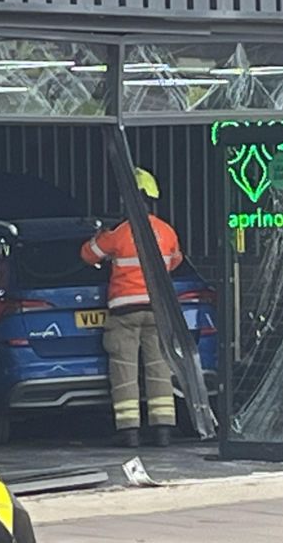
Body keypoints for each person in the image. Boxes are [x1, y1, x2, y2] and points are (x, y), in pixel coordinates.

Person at [80, 168, 184, 448]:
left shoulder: (120, 234)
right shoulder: (167, 231)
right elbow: (175, 261)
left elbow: (89, 255)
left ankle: (130, 433)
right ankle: (163, 430)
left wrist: (100, 234)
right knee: (159, 367)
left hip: (124, 312)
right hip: (157, 311)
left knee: (124, 369)